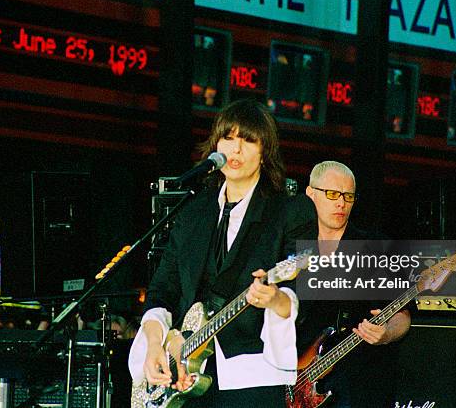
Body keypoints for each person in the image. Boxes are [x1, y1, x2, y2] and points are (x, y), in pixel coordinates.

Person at [128, 99, 317, 407]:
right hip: (184, 375)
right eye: (228, 138)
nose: (236, 149)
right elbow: (163, 289)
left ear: (265, 151)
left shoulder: (289, 211)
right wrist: (154, 343)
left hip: (251, 374)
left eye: (248, 140)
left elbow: (304, 291)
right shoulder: (193, 212)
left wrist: (276, 299)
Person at [302, 160, 411, 408]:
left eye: (348, 196)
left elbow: (402, 314)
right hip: (298, 383)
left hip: (358, 386)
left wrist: (387, 334)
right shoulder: (291, 244)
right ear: (310, 194)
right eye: (332, 194)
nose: (341, 203)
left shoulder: (376, 248)